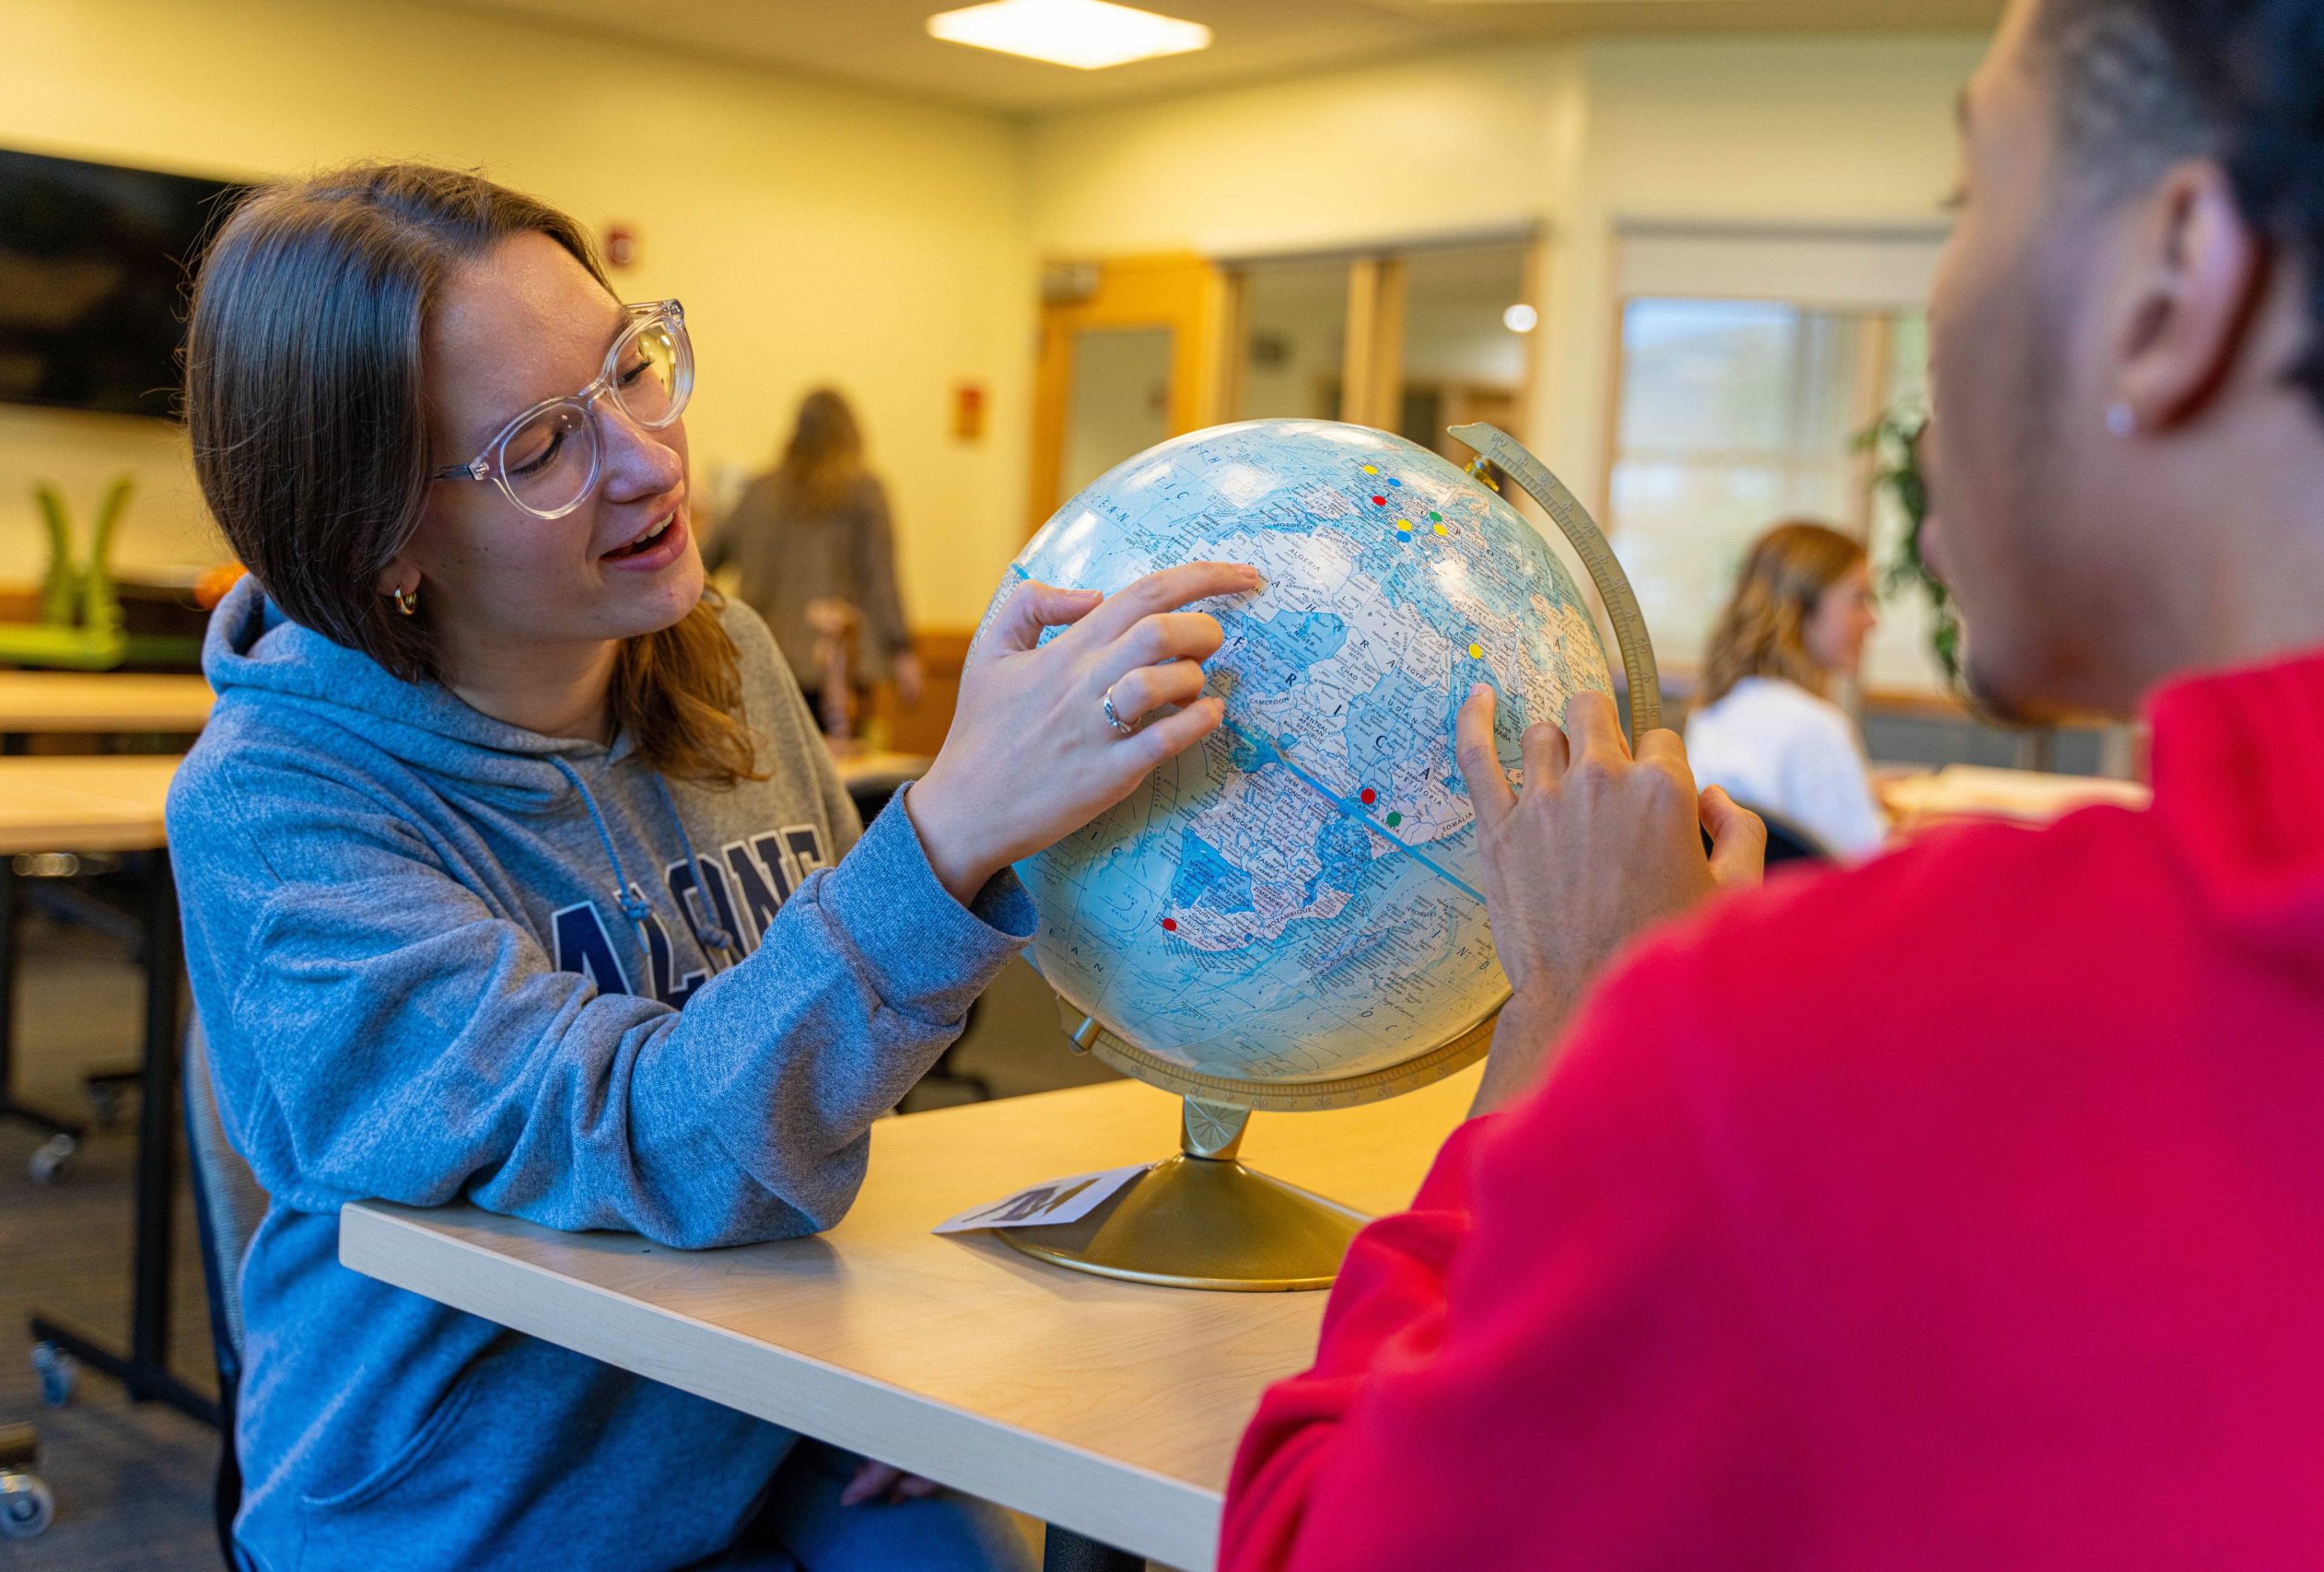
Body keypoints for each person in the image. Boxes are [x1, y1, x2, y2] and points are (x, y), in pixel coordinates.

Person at [1223, 0, 2324, 1565]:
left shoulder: (1815, 1043)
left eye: (1968, 204)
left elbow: (1316, 1535)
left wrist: (1579, 1019)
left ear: (2174, 280)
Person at [171, 163, 1254, 1571]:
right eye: (543, 448)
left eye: (632, 366)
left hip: (746, 1401)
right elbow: (649, 1129)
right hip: (472, 1511)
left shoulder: (722, 652)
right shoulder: (276, 810)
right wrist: (948, 830)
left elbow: (838, 1050)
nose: (650, 459)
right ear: (382, 540)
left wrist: (836, 1352)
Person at [703, 389, 925, 722]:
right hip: (841, 668)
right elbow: (880, 577)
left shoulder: (759, 491)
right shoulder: (864, 493)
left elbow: (702, 563)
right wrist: (901, 650)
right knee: (844, 768)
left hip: (764, 661)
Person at [1682, 519, 1886, 856]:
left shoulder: (1712, 712)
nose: (1872, 620)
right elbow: (1867, 868)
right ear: (1799, 606)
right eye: (1858, 598)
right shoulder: (1817, 728)